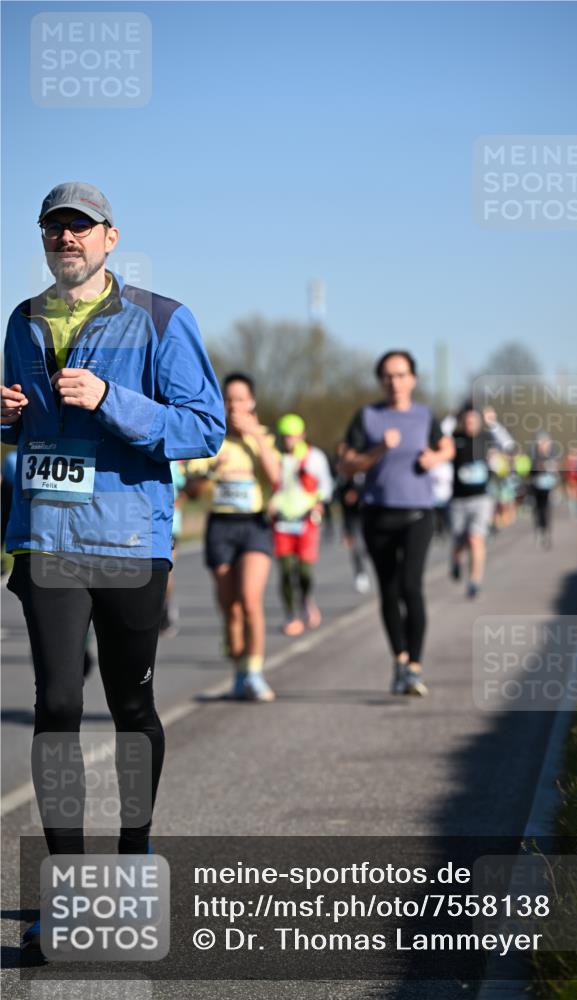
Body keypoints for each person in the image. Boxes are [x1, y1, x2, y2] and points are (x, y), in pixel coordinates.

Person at [1, 182, 225, 952]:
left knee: (131, 709)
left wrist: (109, 398)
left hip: (130, 544)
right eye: (53, 229)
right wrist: (5, 420)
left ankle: (134, 858)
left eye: (80, 228)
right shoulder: (22, 322)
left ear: (109, 238)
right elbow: (26, 433)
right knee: (58, 703)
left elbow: (204, 429)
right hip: (47, 539)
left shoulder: (163, 319)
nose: (66, 239)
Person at [342, 350, 453, 696]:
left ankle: (415, 667)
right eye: (388, 376)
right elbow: (347, 464)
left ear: (413, 379)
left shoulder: (424, 416)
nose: (395, 382)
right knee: (388, 590)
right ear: (380, 381)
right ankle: (400, 661)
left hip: (418, 513)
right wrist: (376, 451)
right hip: (378, 513)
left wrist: (435, 456)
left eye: (402, 375)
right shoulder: (367, 417)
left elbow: (447, 447)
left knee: (411, 585)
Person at [186, 373, 280, 701]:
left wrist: (254, 435)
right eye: (229, 399)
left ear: (252, 402)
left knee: (250, 599)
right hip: (220, 527)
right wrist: (212, 470)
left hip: (254, 525)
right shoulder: (212, 438)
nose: (235, 405)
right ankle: (240, 668)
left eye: (241, 399)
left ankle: (255, 672)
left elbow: (277, 478)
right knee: (231, 607)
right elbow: (193, 490)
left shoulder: (263, 437)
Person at [270, 413, 334, 636]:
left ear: (302, 435)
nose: (289, 441)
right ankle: (291, 614)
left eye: (293, 436)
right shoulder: (276, 457)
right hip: (281, 522)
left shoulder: (314, 457)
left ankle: (306, 597)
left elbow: (326, 485)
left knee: (304, 571)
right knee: (286, 570)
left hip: (306, 520)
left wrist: (319, 503)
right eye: (286, 436)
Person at [449, 402, 513, 599]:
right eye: (466, 420)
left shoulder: (486, 439)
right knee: (460, 541)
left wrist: (493, 423)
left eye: (474, 420)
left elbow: (508, 446)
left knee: (476, 539)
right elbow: (436, 440)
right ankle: (456, 561)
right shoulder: (454, 439)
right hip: (458, 500)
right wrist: (453, 417)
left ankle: (474, 582)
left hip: (482, 499)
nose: (470, 423)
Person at [335, 443, 371, 593]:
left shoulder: (365, 468)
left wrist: (359, 494)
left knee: (368, 547)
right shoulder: (342, 473)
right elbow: (340, 497)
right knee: (357, 547)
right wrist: (345, 530)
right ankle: (360, 574)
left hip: (368, 514)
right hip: (352, 517)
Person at [159, 459, 187, 637]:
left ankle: (165, 608)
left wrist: (175, 502)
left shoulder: (176, 464)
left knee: (165, 572)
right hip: (146, 522)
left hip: (170, 526)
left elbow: (185, 492)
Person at [529, 431, 560, 548]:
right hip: (536, 487)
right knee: (537, 510)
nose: (542, 445)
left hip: (549, 487)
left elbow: (556, 471)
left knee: (547, 510)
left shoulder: (553, 454)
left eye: (545, 442)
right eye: (540, 442)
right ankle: (539, 530)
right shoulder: (532, 454)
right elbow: (529, 471)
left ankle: (546, 532)